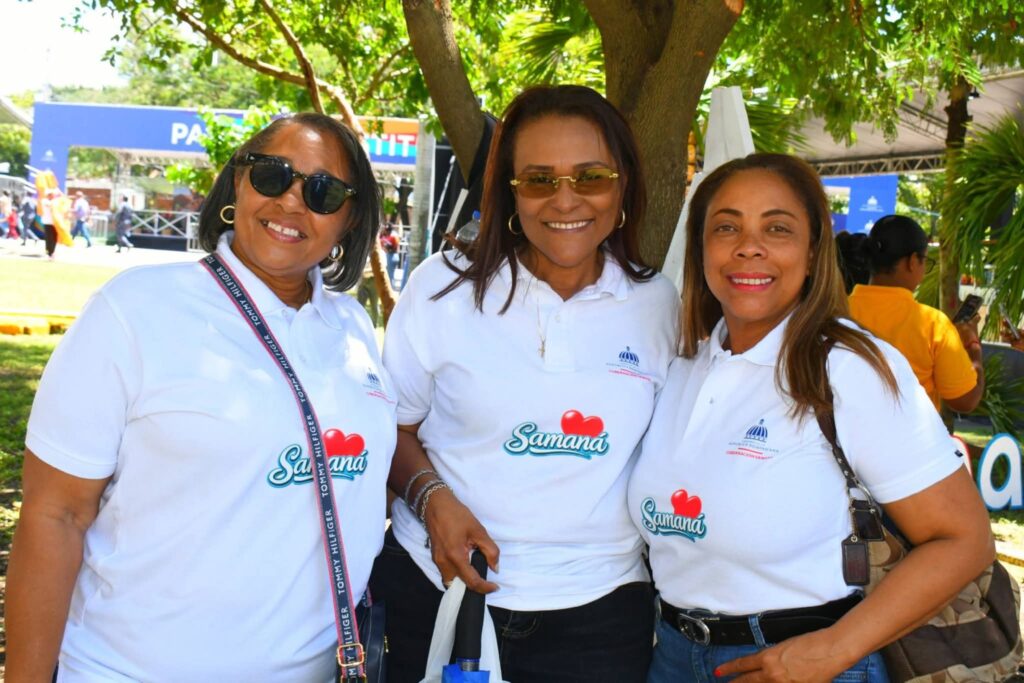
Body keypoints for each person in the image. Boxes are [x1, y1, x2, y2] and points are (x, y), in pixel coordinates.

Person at [6, 112, 395, 682]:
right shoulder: (134, 309)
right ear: (238, 181)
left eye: (323, 191)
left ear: (350, 217)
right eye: (272, 175)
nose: (291, 201)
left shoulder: (353, 328)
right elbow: (55, 515)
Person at [629, 153, 994, 682]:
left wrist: (829, 652)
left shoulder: (849, 368)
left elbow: (965, 540)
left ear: (813, 250)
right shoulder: (683, 366)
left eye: (777, 228)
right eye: (726, 227)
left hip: (803, 661)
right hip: (672, 655)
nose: (748, 246)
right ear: (700, 248)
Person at [370, 85, 679, 683]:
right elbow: (393, 427)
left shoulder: (657, 303)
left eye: (591, 176)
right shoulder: (443, 287)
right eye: (538, 180)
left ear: (623, 186)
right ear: (510, 192)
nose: (565, 199)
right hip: (440, 592)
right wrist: (433, 501)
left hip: (600, 615)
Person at [848, 214, 984, 413]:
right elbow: (965, 401)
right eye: (925, 261)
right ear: (912, 261)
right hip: (907, 433)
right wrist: (973, 346)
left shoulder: (833, 310)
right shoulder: (933, 324)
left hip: (841, 432)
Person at [380, 223, 400, 288]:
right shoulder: (386, 236)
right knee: (389, 273)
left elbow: (395, 248)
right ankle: (390, 287)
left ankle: (391, 288)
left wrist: (387, 249)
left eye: (387, 230)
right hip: (390, 256)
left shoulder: (393, 236)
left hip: (392, 256)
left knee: (390, 274)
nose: (386, 231)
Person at [40, 188, 58, 259]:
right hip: (47, 222)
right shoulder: (45, 201)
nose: (51, 196)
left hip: (55, 223)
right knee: (48, 238)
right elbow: (51, 205)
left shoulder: (55, 202)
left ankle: (52, 252)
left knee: (54, 238)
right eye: (50, 194)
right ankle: (48, 252)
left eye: (52, 194)